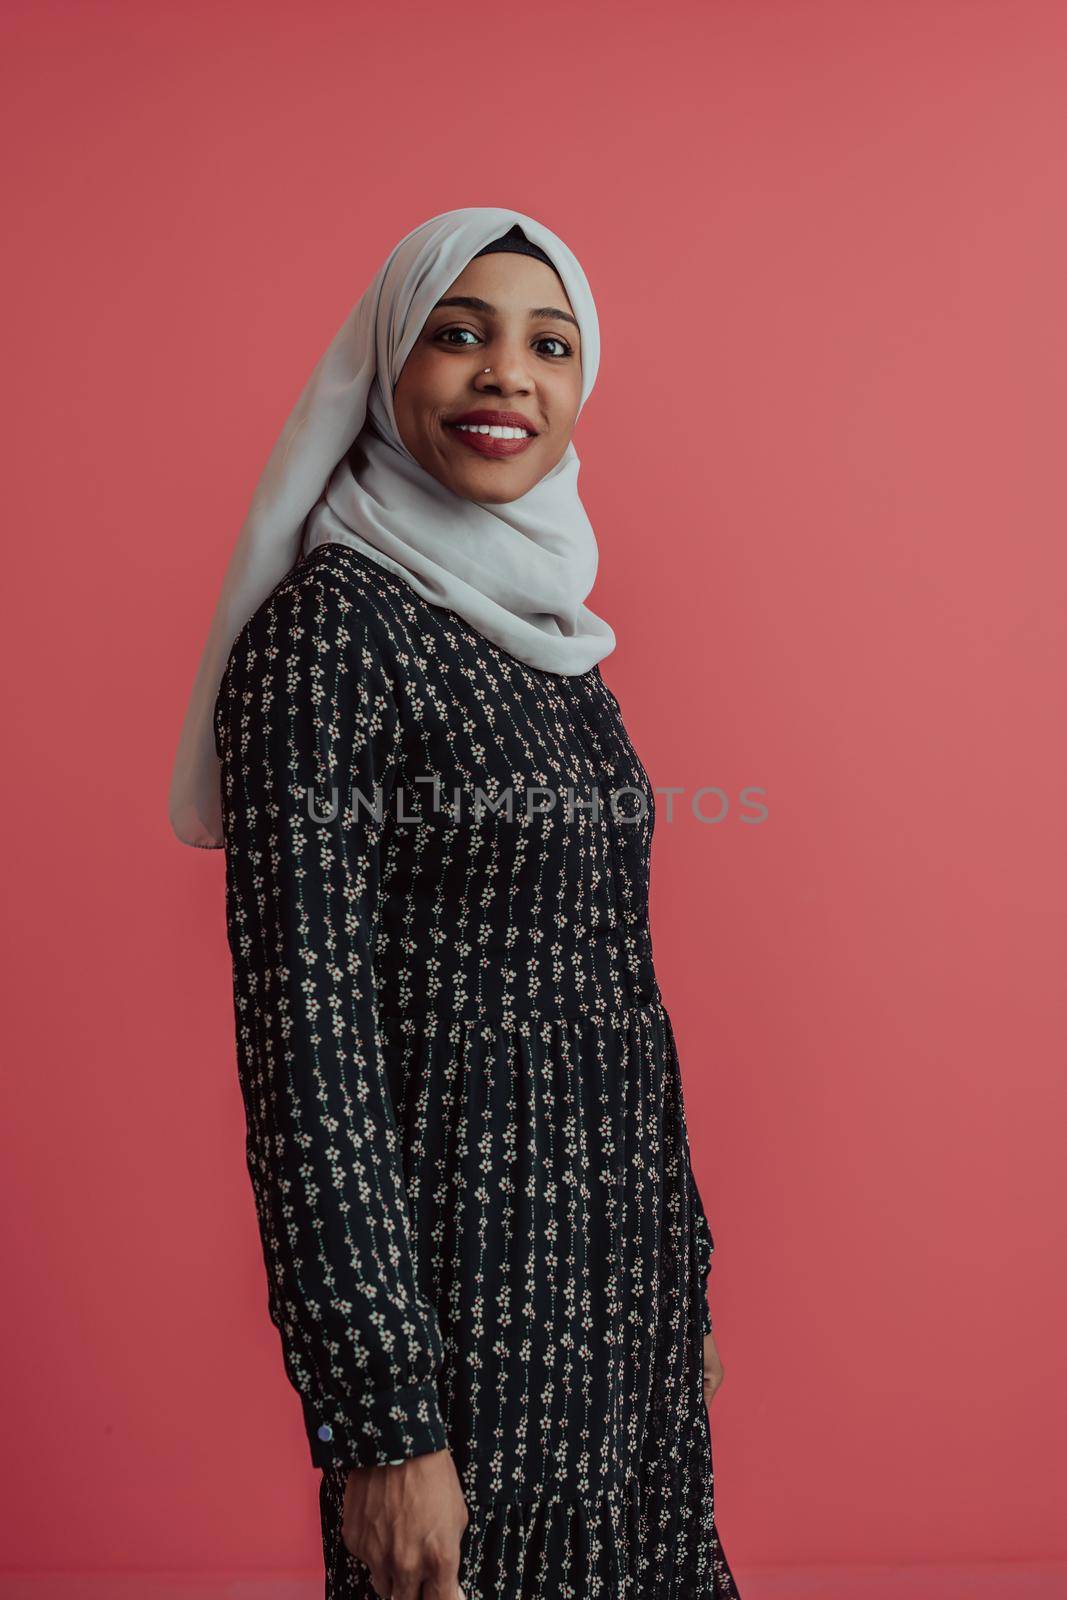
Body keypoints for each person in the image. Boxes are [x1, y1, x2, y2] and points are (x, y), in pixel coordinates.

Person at [169, 207, 741, 1600]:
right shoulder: (328, 641)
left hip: (621, 1310)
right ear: (385, 362)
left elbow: (618, 995)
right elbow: (308, 1056)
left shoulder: (555, 644)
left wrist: (684, 1271)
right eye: (460, 334)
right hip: (465, 1328)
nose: (508, 377)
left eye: (551, 346)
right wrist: (381, 1421)